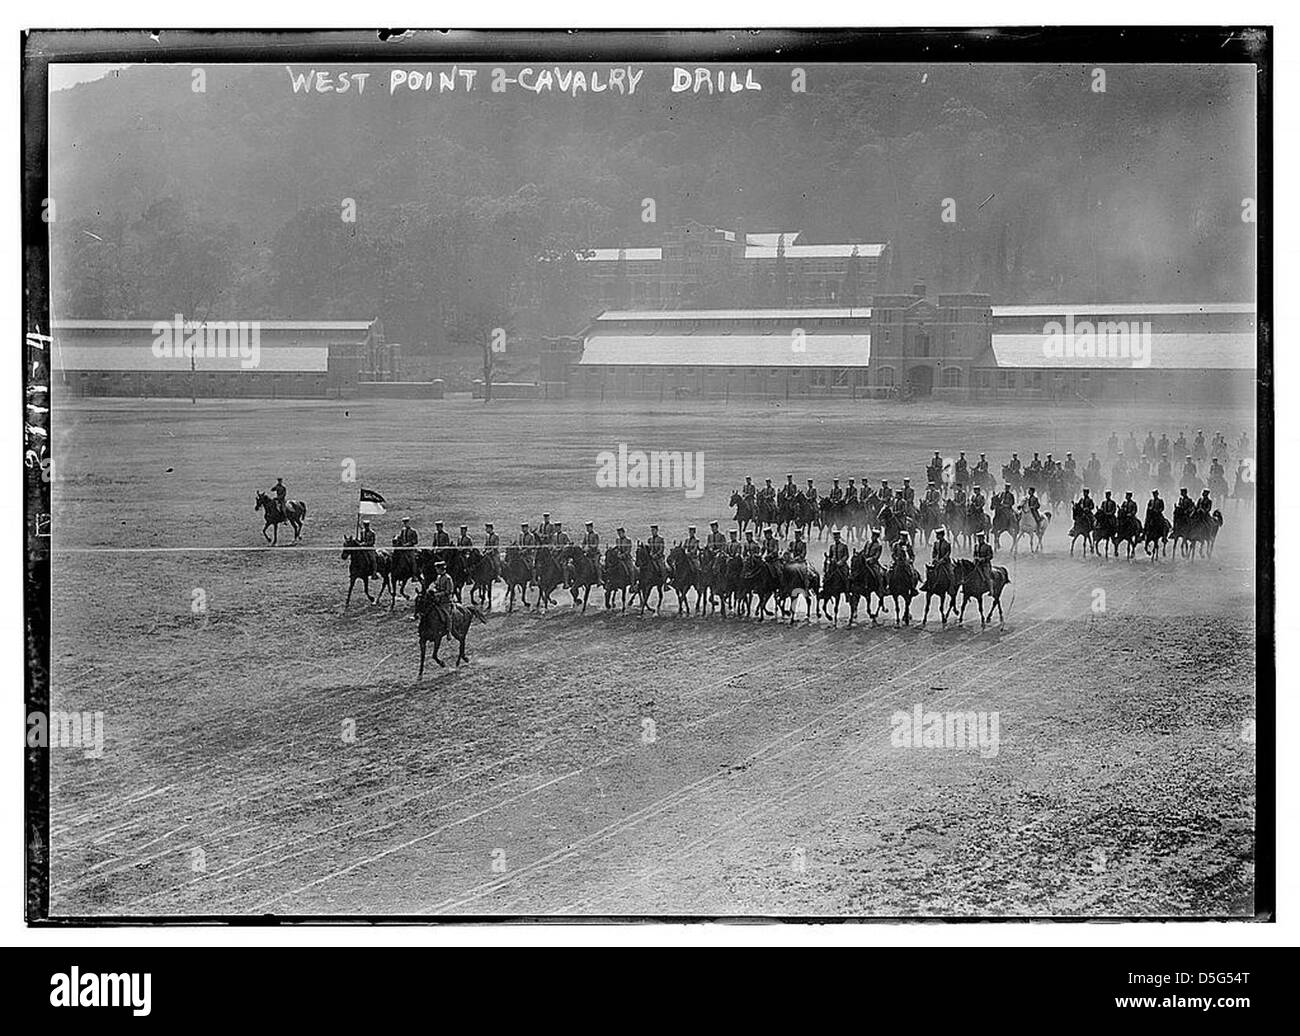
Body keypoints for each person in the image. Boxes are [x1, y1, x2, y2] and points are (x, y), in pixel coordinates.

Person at [428, 559, 456, 628]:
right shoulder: (438, 577)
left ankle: (449, 630)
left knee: (447, 615)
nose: (436, 571)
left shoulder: (448, 578)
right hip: (437, 599)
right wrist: (431, 589)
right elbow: (436, 585)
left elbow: (449, 591)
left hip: (446, 600)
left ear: (441, 569)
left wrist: (438, 594)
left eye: (437, 569)